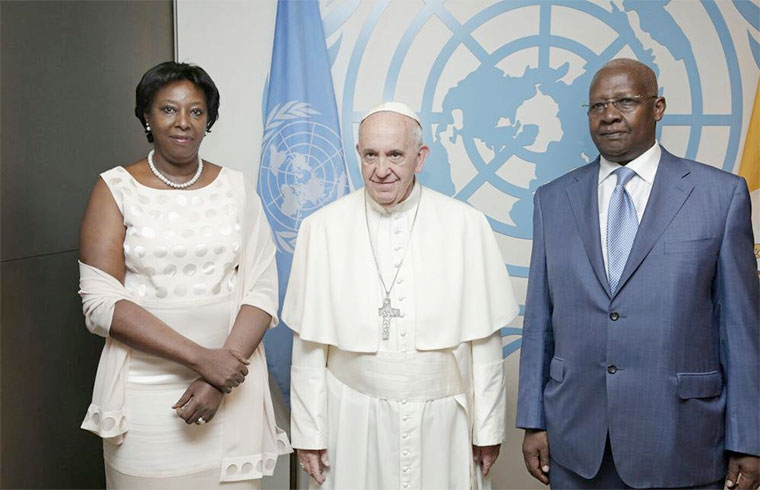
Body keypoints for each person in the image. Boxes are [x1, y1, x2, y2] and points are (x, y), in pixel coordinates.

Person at [516, 58, 760, 490]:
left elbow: (740, 330)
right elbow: (539, 321)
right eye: (597, 106)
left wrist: (750, 439)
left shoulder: (720, 196)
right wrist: (533, 420)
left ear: (658, 107)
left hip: (682, 441)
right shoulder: (551, 201)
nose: (609, 115)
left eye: (625, 101)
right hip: (577, 443)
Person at [282, 101, 518, 489]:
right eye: (370, 155)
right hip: (351, 419)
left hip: (444, 421)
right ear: (358, 154)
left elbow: (485, 344)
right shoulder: (320, 229)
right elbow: (308, 348)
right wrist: (309, 435)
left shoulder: (466, 225)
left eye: (395, 155)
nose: (381, 170)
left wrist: (488, 429)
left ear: (420, 157)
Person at [78, 61, 291, 489]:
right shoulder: (114, 188)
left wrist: (220, 375)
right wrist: (203, 360)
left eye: (196, 111)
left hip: (232, 386)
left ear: (209, 120)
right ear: (146, 116)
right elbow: (101, 304)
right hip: (145, 392)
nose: (183, 123)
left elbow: (262, 289)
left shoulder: (235, 186)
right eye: (169, 109)